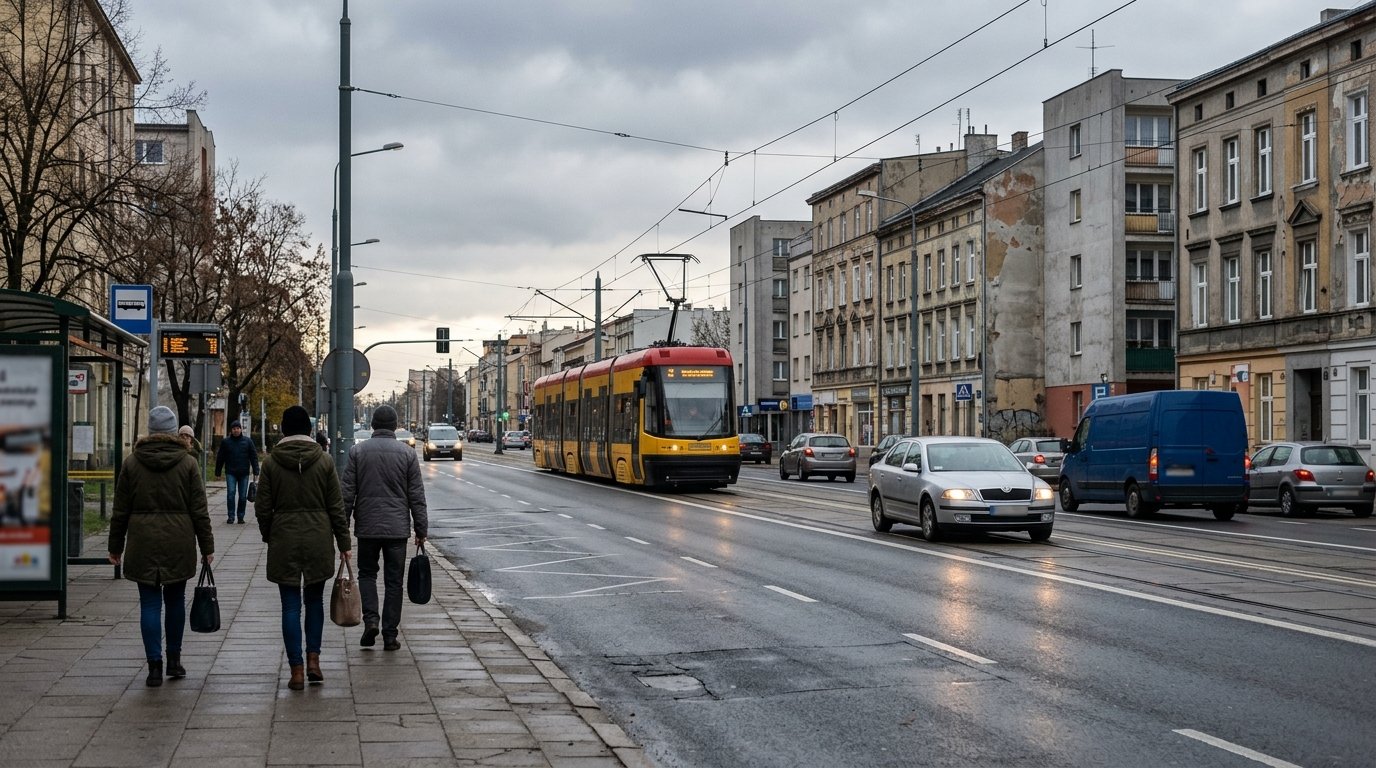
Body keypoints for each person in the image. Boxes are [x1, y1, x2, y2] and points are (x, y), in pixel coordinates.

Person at [108, 406, 214, 687]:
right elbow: (199, 510)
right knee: (175, 601)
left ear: (151, 431)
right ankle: (174, 660)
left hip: (142, 541)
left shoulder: (132, 463)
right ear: (172, 432)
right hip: (178, 541)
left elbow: (120, 510)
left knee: (150, 604)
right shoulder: (188, 463)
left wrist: (115, 545)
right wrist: (207, 546)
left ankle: (154, 666)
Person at [257, 405, 352, 691]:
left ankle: (296, 670)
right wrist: (344, 544)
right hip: (317, 538)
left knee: (289, 606)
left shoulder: (271, 463)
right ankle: (314, 662)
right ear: (309, 430)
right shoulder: (323, 462)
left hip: (283, 538)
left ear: (284, 430)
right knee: (314, 602)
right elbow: (337, 507)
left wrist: (269, 534)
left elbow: (262, 508)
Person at [341, 404, 427, 651]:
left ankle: (371, 621)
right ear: (395, 426)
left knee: (367, 574)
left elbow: (347, 494)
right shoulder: (407, 454)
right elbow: (416, 496)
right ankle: (390, 635)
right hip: (397, 529)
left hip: (367, 527)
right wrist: (421, 530)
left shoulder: (357, 452)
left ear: (372, 426)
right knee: (394, 582)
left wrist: (342, 528)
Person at [214, 420, 260, 524]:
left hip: (244, 473)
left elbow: (253, 457)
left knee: (243, 496)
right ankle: (231, 516)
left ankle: (240, 516)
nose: (236, 430)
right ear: (231, 430)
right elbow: (220, 457)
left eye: (238, 428)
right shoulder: (226, 442)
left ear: (241, 429)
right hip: (230, 472)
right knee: (231, 494)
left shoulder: (248, 442)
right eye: (234, 428)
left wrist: (256, 470)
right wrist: (218, 472)